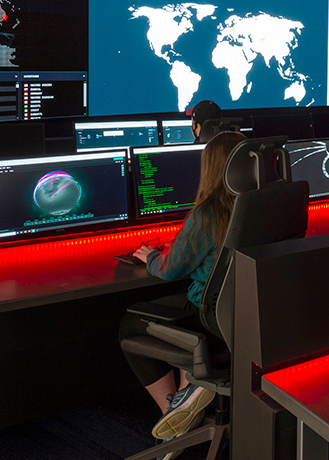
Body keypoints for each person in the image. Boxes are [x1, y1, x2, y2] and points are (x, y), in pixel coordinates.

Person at [119, 130, 245, 445]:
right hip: (245, 318)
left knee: (128, 324)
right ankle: (186, 398)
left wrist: (150, 256)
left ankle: (173, 417)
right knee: (173, 307)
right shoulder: (265, 204)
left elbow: (171, 269)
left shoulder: (210, 212)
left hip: (209, 318)